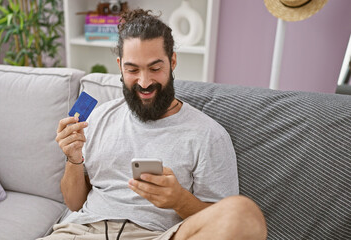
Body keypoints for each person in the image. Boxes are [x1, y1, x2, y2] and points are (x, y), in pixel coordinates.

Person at [43, 9, 267, 240]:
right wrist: (73, 158)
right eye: (132, 69)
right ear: (120, 66)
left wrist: (180, 200)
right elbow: (74, 203)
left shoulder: (208, 134)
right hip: (83, 231)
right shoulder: (98, 118)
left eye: (155, 68)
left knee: (243, 213)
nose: (144, 81)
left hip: (156, 235)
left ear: (172, 62)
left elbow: (220, 220)